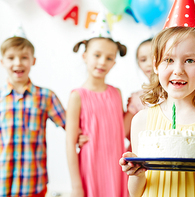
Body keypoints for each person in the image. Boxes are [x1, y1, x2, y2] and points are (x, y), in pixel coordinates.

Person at [119, 26, 195, 197]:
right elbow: (136, 193)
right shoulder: (141, 120)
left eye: (189, 60)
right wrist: (136, 174)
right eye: (169, 60)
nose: (178, 70)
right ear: (156, 65)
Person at [0, 37, 66, 196]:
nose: (18, 62)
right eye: (11, 58)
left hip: (33, 180)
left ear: (33, 60)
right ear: (2, 62)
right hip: (3, 179)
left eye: (24, 57)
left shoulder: (46, 96)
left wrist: (79, 136)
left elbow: (69, 126)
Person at [66, 37, 129, 197]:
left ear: (114, 63)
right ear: (85, 56)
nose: (102, 62)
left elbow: (119, 129)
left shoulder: (116, 93)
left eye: (109, 58)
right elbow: (69, 144)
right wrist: (76, 186)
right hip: (91, 167)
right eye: (97, 55)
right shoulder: (77, 96)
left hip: (116, 167)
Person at [124, 38, 153, 149]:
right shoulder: (137, 98)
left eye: (154, 57)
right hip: (140, 155)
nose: (149, 64)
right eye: (143, 59)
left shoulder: (178, 94)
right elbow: (123, 131)